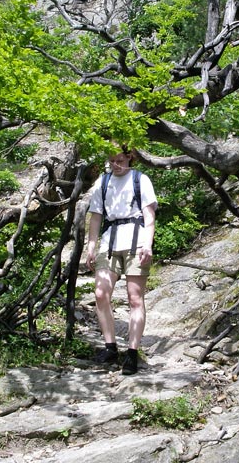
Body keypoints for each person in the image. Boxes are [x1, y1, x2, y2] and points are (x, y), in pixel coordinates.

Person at [85, 145, 157, 375]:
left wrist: (148, 244)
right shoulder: (102, 182)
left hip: (136, 241)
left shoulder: (140, 179)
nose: (115, 165)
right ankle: (110, 346)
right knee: (100, 293)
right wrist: (91, 246)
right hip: (109, 242)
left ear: (129, 157)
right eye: (112, 161)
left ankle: (132, 353)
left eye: (120, 160)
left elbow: (149, 215)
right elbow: (96, 217)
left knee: (135, 298)